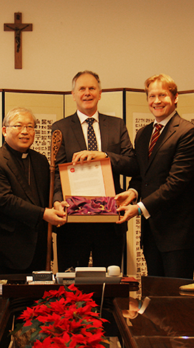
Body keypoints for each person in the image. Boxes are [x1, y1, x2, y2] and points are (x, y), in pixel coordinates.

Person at [116, 74, 194, 279]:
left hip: (178, 234)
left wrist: (138, 208)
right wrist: (132, 191)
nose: (157, 101)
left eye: (162, 95)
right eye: (152, 96)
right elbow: (142, 174)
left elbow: (177, 182)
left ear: (175, 97)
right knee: (155, 297)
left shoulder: (188, 132)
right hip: (151, 231)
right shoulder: (143, 133)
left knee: (177, 300)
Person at [52, 70, 136, 272]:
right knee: (71, 288)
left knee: (110, 284)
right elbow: (56, 173)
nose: (87, 93)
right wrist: (56, 200)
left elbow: (133, 164)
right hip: (73, 221)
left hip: (109, 221)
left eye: (92, 88)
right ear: (73, 94)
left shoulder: (117, 125)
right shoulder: (60, 127)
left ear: (100, 93)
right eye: (82, 88)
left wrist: (105, 156)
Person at [0, 108, 66, 275]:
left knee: (38, 300)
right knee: (9, 300)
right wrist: (43, 213)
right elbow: (6, 201)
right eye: (18, 126)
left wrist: (57, 204)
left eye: (30, 127)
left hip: (40, 249)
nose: (25, 132)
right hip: (7, 251)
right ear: (4, 131)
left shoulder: (40, 160)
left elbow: (46, 195)